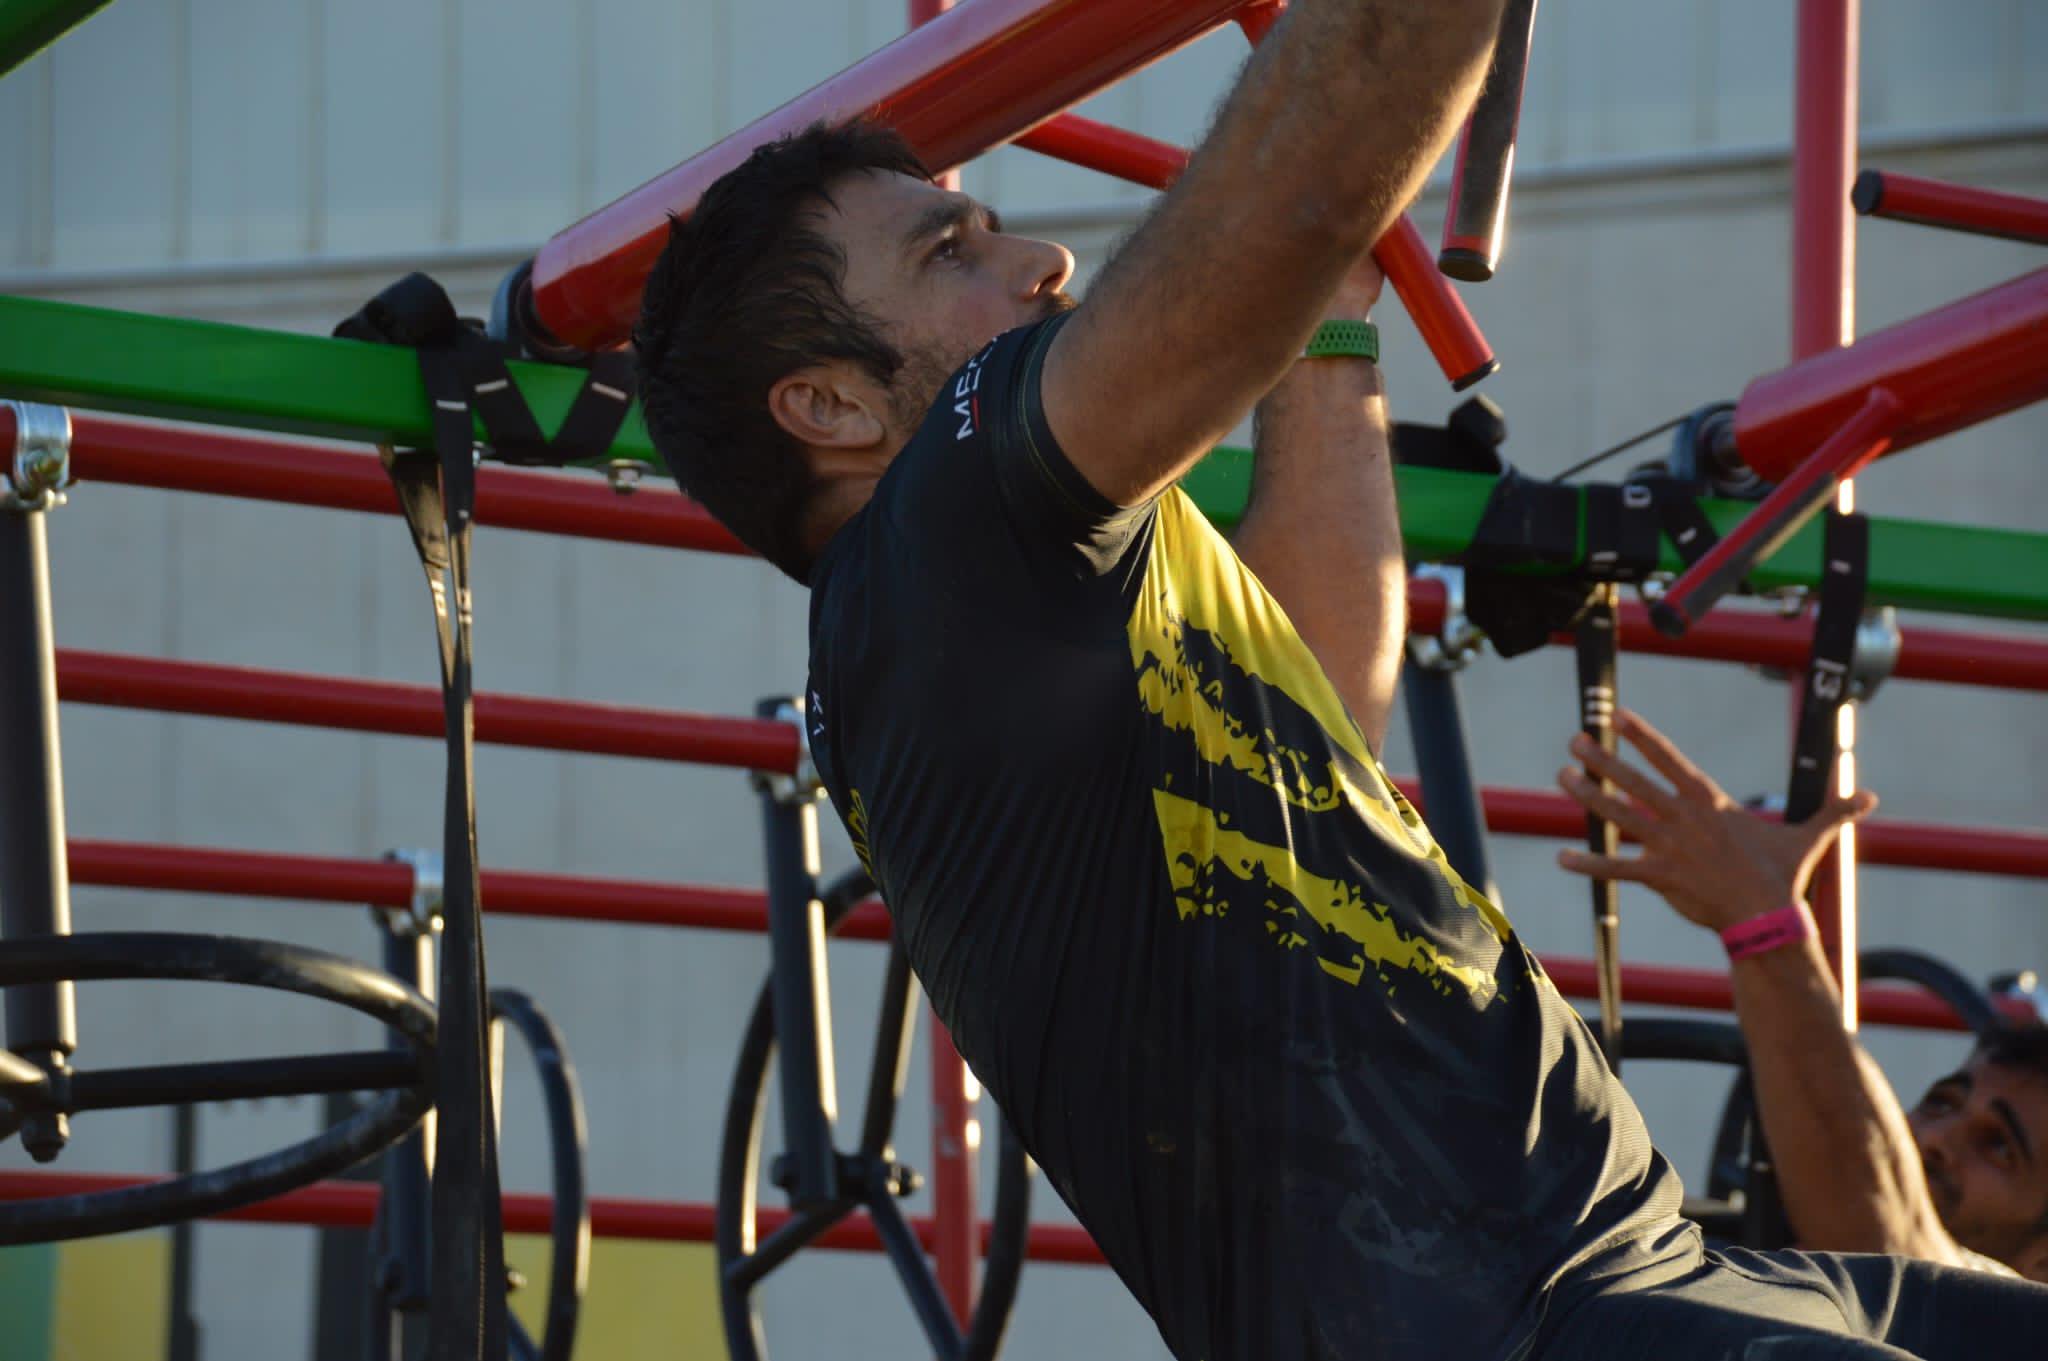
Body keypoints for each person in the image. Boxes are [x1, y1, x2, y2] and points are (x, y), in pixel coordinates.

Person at [633, 2, 2048, 1354]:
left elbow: (1310, 700)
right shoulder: (931, 539)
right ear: (831, 405)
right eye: (951, 250)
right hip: (1498, 1327)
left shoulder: (1004, 609)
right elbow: (1299, 182)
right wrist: (1322, 170)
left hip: (1632, 1262)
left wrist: (1329, 319)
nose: (1043, 260)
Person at [1557, 707, 2048, 1282]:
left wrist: (1761, 918)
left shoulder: (2007, 1314)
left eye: (1999, 1148)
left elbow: (1889, 1246)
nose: (1935, 1139)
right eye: (1940, 1102)